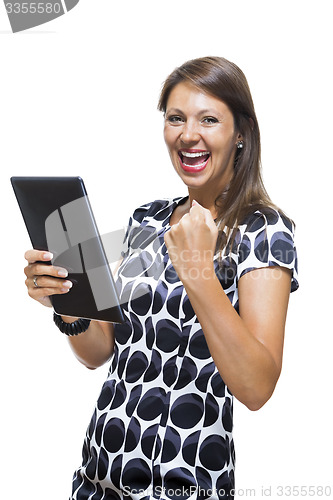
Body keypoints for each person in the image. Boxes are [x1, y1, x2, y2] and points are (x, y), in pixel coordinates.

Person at [24, 56, 299, 500]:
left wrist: (199, 273)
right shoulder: (148, 219)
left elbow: (256, 387)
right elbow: (101, 353)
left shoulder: (264, 230)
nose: (188, 134)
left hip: (182, 486)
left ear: (241, 134)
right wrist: (66, 302)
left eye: (208, 119)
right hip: (97, 479)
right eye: (176, 118)